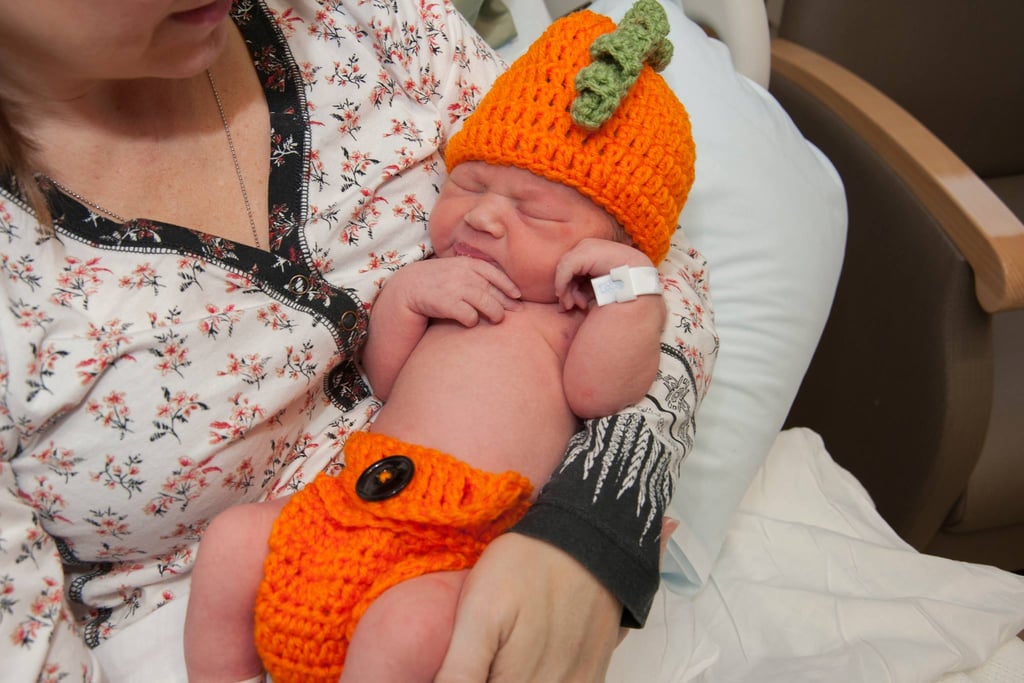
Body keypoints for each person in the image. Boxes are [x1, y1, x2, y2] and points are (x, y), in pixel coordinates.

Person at [0, 0, 716, 681]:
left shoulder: (375, 26)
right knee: (234, 544)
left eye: (530, 210)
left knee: (405, 635)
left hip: (462, 541)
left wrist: (595, 528)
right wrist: (406, 297)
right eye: (468, 187)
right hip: (300, 538)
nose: (490, 218)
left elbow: (660, 273)